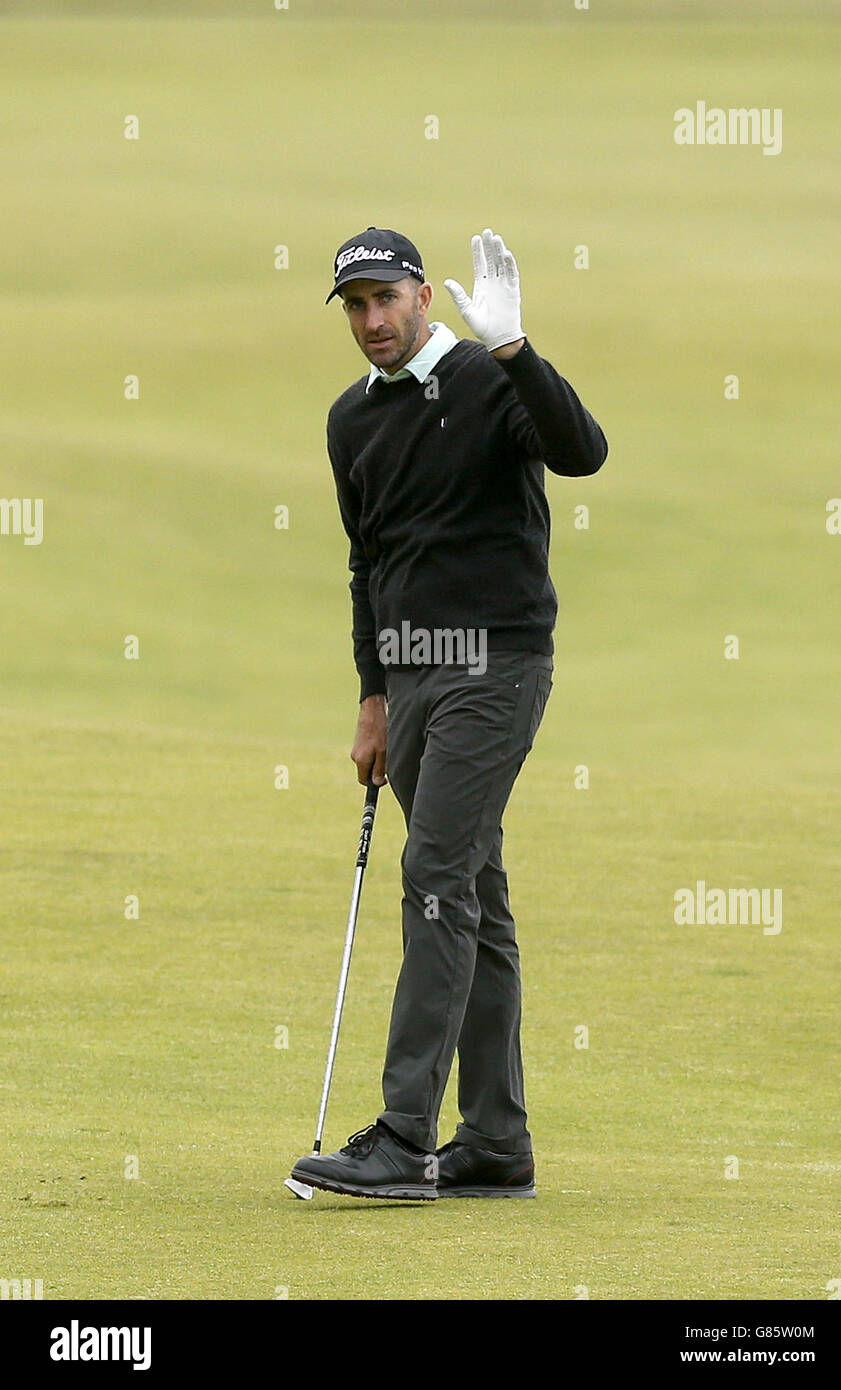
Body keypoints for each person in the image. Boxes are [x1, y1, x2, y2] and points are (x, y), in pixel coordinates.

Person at [289, 226, 608, 1200]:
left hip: (495, 662)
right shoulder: (351, 418)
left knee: (432, 871)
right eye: (355, 305)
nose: (371, 320)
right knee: (475, 890)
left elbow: (580, 453)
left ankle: (401, 1136)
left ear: (424, 294)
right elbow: (367, 564)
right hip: (415, 675)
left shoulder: (484, 379)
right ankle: (495, 1141)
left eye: (385, 299)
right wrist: (373, 695)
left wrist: (514, 350)